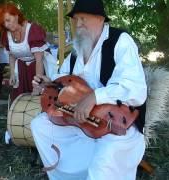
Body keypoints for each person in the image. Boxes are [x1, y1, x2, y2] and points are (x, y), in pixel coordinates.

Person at [30, 0, 147, 179]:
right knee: (39, 125)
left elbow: (134, 88)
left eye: (84, 18)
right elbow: (64, 80)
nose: (79, 24)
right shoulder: (78, 48)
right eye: (76, 19)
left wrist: (95, 97)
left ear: (100, 19)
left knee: (101, 167)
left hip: (113, 125)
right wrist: (49, 83)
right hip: (79, 119)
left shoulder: (120, 41)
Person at [0, 3, 58, 101]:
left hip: (37, 67)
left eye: (8, 20)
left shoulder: (33, 30)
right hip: (21, 68)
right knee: (21, 98)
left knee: (39, 98)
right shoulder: (6, 34)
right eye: (4, 23)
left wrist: (38, 84)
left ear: (16, 15)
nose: (6, 25)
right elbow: (11, 55)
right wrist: (12, 73)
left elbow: (39, 59)